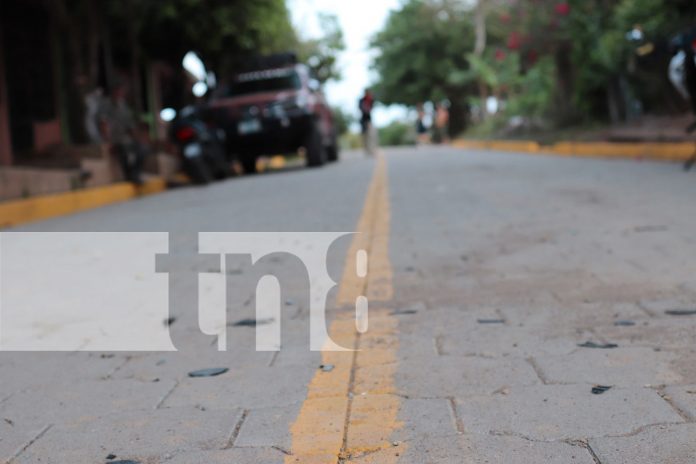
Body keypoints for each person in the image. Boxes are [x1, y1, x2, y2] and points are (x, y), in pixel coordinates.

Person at [97, 81, 147, 184]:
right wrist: (107, 141)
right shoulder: (105, 105)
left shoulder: (123, 105)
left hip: (125, 138)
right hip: (114, 139)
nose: (120, 94)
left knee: (142, 149)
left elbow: (129, 125)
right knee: (123, 149)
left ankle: (135, 174)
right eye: (118, 91)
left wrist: (138, 138)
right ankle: (128, 175)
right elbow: (103, 124)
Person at [359, 89, 376, 155]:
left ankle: (372, 150)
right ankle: (366, 150)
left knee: (371, 135)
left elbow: (372, 107)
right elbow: (360, 108)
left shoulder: (370, 99)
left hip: (369, 120)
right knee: (365, 136)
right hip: (363, 120)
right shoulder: (361, 100)